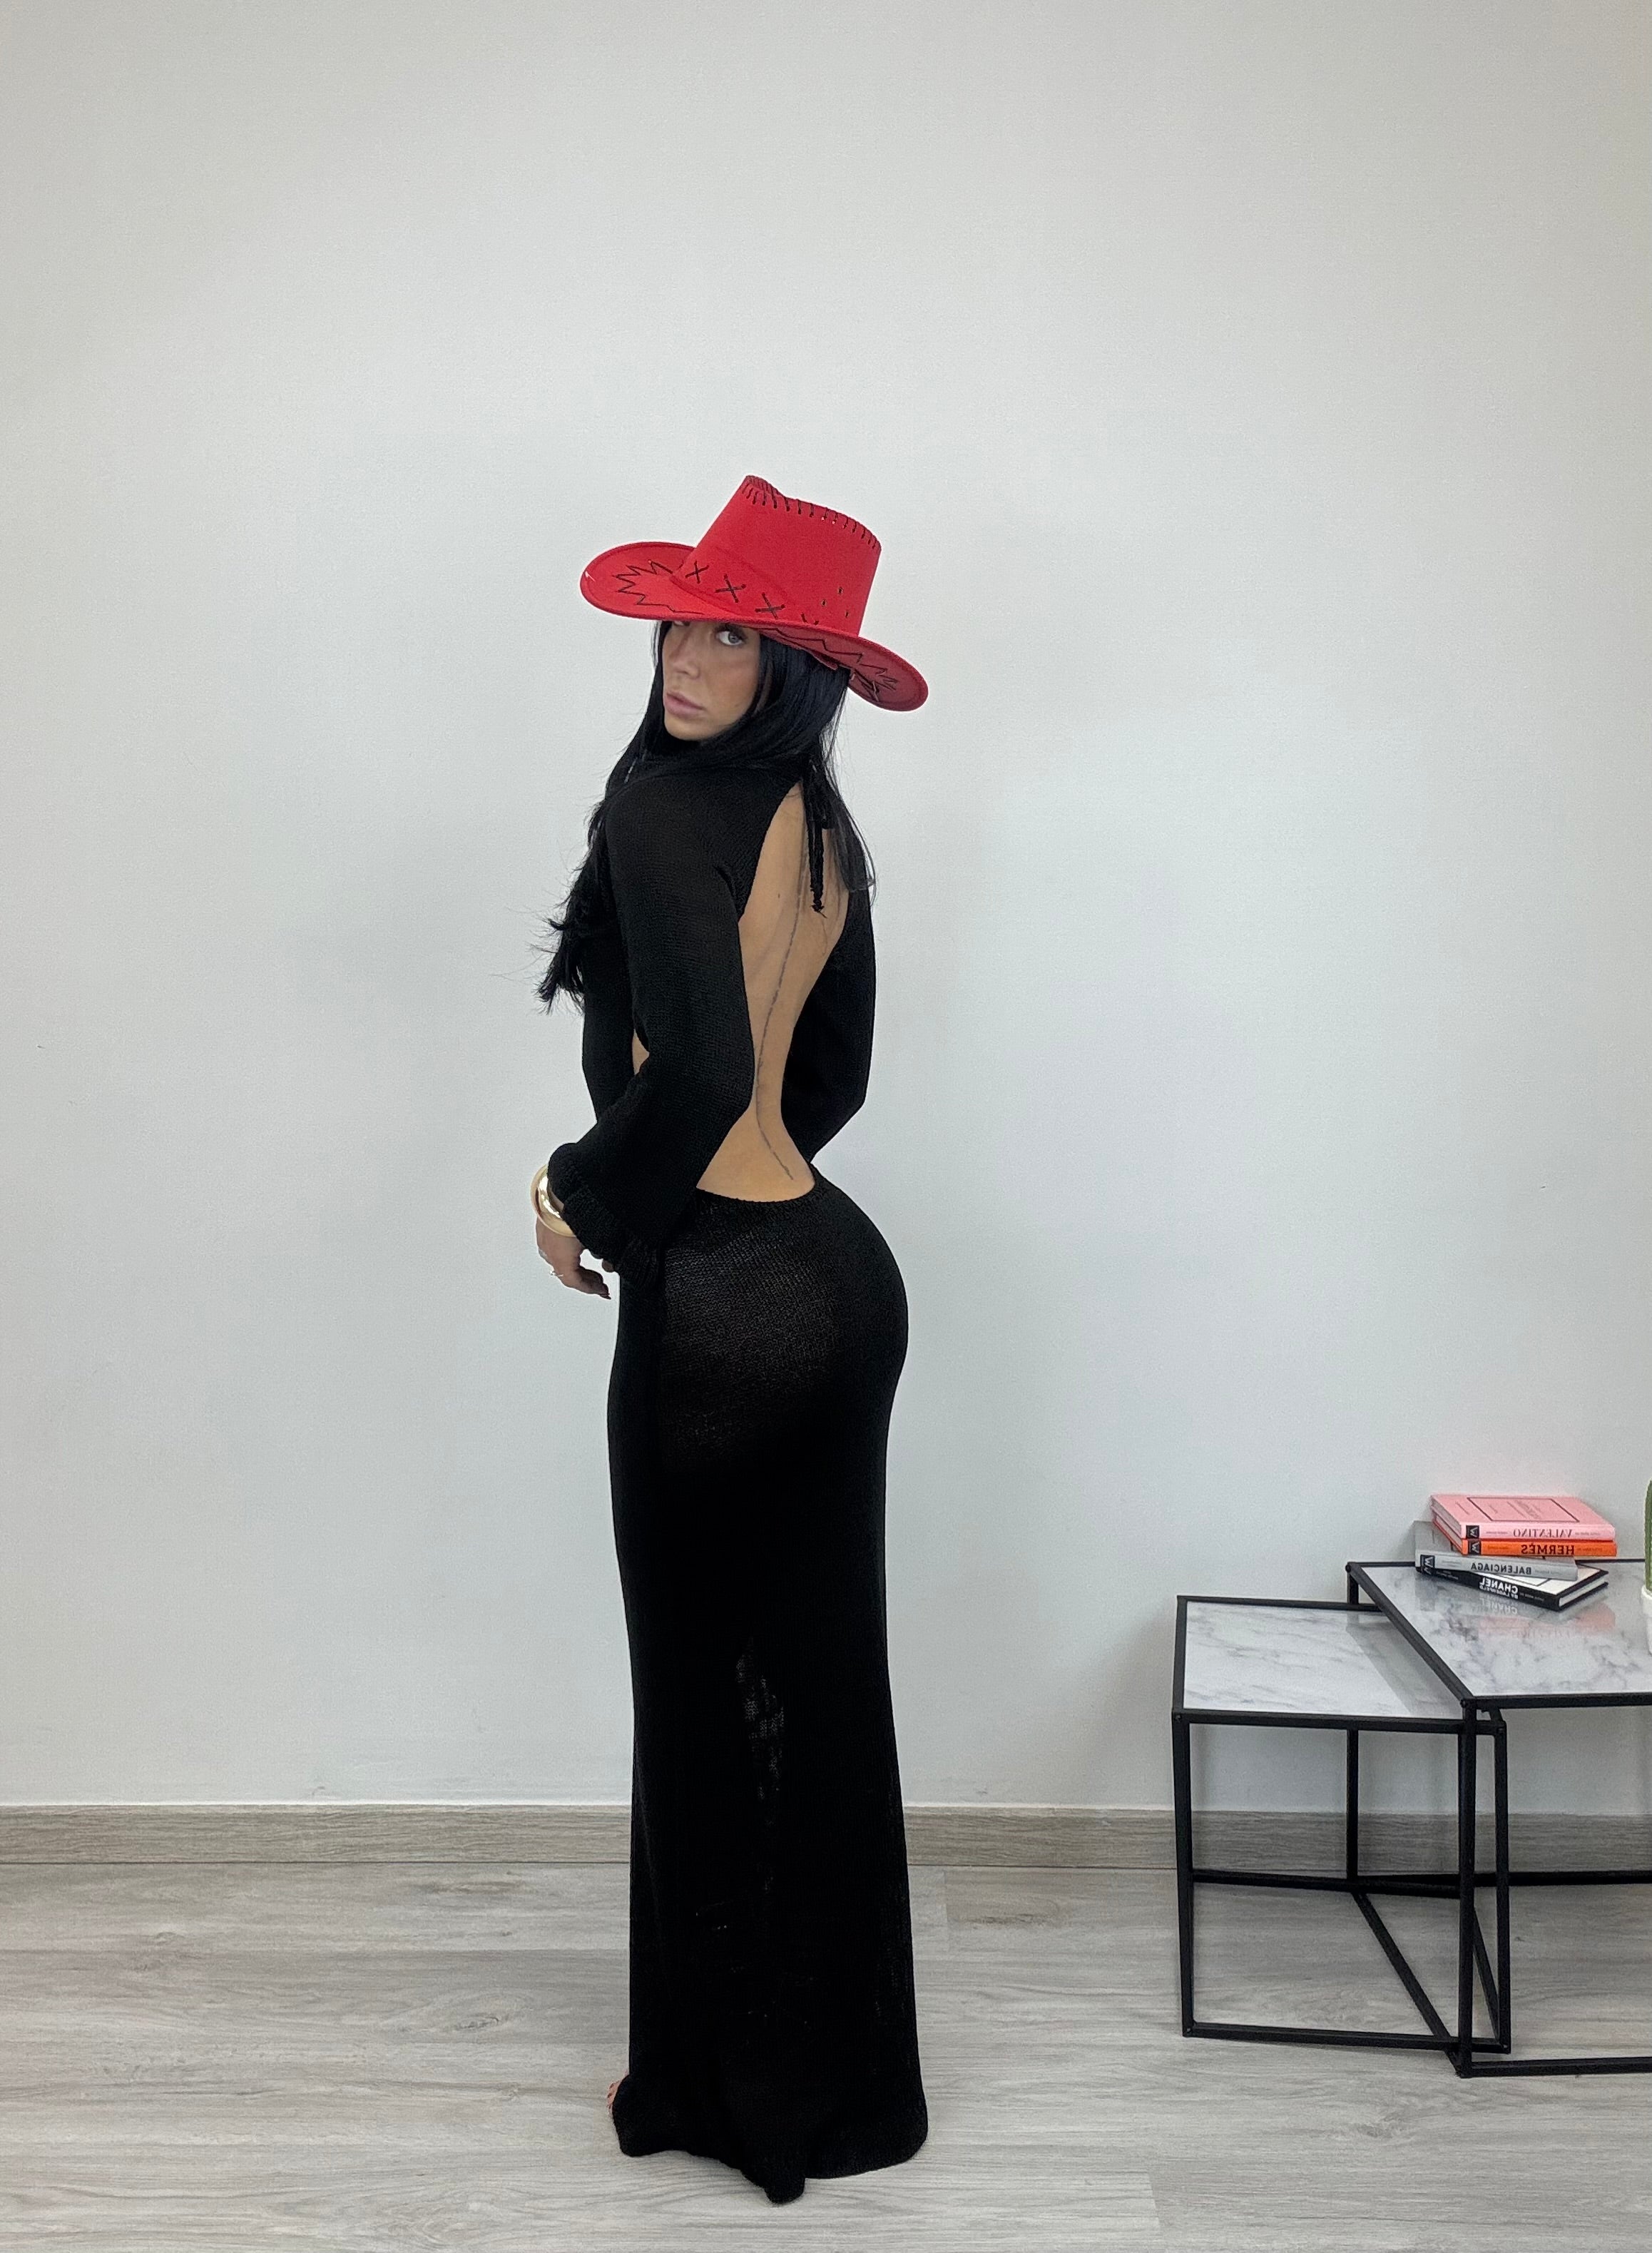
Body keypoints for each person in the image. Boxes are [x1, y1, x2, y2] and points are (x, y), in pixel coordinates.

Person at [531, 475, 929, 2205]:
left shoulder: (663, 811)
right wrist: (747, 1192)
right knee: (821, 1690)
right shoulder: (820, 825)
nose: (687, 660)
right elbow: (827, 1078)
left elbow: (694, 1075)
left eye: (732, 638)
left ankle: (715, 2082)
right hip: (838, 1281)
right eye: (680, 627)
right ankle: (840, 2082)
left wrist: (577, 1193)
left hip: (721, 1311)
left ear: (795, 667)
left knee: (703, 1695)